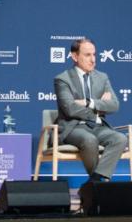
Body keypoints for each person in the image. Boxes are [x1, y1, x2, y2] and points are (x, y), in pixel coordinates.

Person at [53, 38, 127, 182]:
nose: (93, 60)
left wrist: (89, 102)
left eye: (94, 55)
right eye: (87, 55)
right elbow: (70, 109)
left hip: (98, 128)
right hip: (73, 128)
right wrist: (98, 110)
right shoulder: (63, 79)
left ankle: (95, 181)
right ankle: (98, 184)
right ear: (75, 56)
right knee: (89, 140)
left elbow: (114, 105)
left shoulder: (102, 77)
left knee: (120, 138)